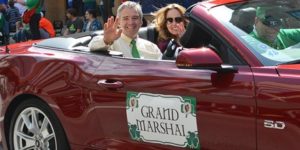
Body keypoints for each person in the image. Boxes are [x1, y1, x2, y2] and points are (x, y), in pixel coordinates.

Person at [88, 1, 162, 60]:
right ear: (119, 22)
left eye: (135, 18)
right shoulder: (111, 43)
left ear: (141, 22)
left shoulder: (152, 48)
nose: (131, 22)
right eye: (126, 18)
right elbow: (92, 46)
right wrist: (106, 40)